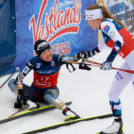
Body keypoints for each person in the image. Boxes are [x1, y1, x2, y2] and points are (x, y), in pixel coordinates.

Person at [75, 4, 134, 134]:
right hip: (130, 64)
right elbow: (98, 49)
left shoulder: (106, 25)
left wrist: (109, 61)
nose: (88, 24)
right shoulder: (104, 28)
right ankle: (117, 126)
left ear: (94, 18)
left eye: (88, 20)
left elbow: (119, 41)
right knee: (112, 94)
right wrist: (82, 55)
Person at [8, 39, 80, 121]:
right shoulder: (34, 61)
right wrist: (20, 91)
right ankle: (29, 102)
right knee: (12, 82)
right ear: (39, 55)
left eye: (49, 50)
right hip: (35, 92)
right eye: (44, 53)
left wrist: (79, 56)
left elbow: (72, 58)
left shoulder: (57, 59)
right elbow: (20, 77)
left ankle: (68, 111)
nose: (48, 54)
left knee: (47, 95)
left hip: (51, 90)